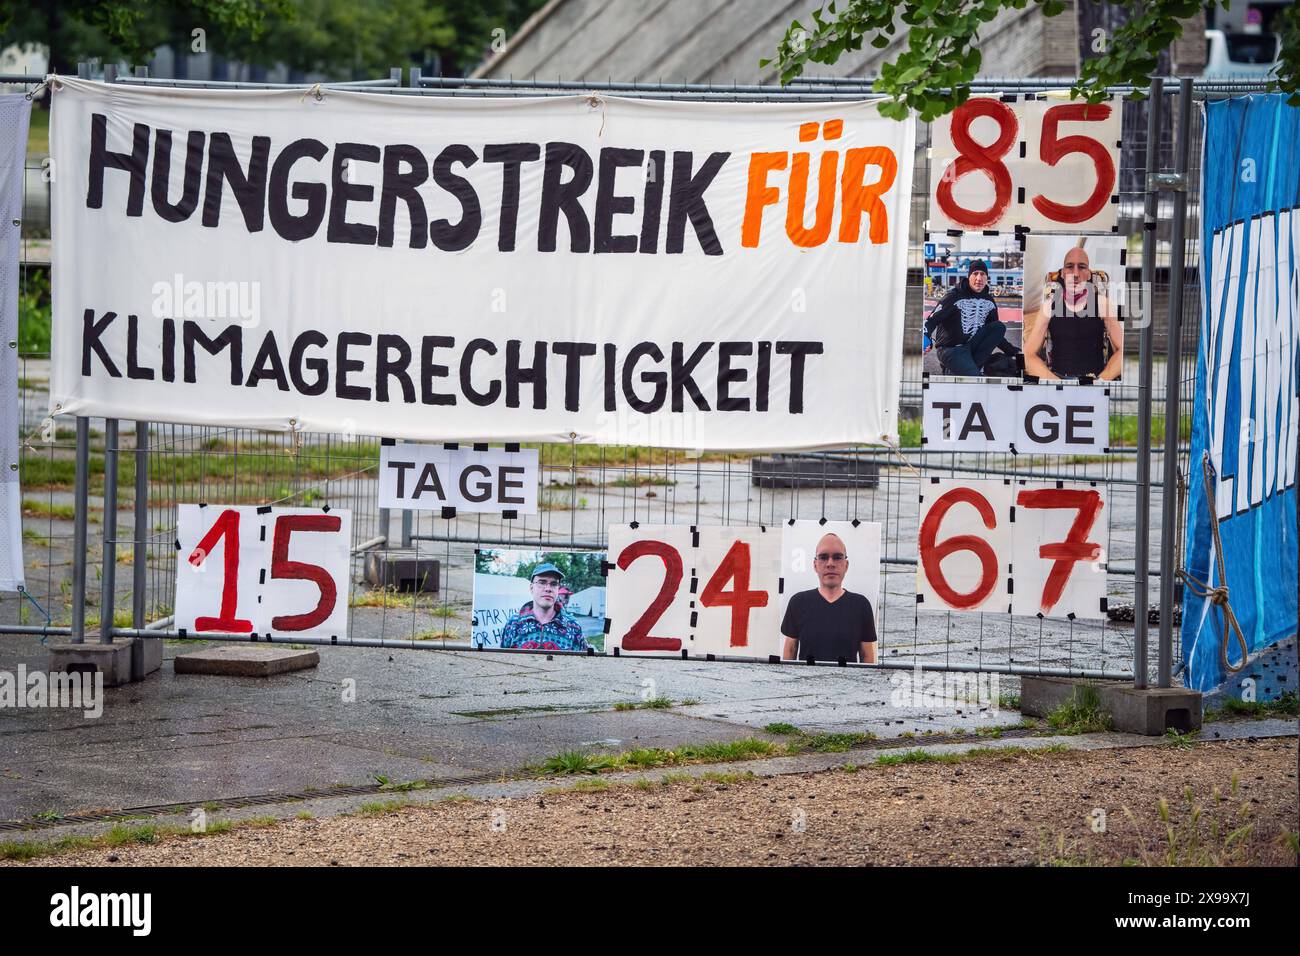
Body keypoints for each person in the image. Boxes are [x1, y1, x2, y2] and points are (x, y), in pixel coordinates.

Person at [1023, 243, 1123, 381]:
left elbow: (1124, 351)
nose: (1075, 274)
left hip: (1093, 380)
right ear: (1063, 273)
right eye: (1070, 267)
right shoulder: (1049, 306)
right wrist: (1056, 384)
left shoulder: (1102, 304)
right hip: (1058, 381)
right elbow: (1027, 356)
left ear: (1088, 274)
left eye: (1082, 267)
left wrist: (1100, 381)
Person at [781, 533, 877, 663]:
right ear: (815, 565)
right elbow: (790, 650)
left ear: (846, 565)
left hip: (848, 682)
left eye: (837, 557)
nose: (830, 564)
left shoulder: (861, 605)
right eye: (823, 557)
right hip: (806, 682)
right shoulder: (798, 603)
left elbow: (866, 655)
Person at [923, 260, 1021, 377]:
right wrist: (925, 337)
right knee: (974, 380)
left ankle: (957, 371)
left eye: (982, 274)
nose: (979, 278)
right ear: (969, 276)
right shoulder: (953, 296)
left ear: (987, 278)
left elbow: (993, 333)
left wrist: (1014, 351)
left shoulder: (989, 300)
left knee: (998, 327)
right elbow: (932, 320)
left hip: (971, 348)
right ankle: (963, 370)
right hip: (951, 349)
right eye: (975, 274)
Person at [500, 563, 589, 651]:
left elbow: (583, 661)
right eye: (542, 582)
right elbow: (502, 661)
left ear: (558, 589)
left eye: (554, 584)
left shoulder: (573, 626)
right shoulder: (513, 624)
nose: (548, 588)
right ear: (531, 588)